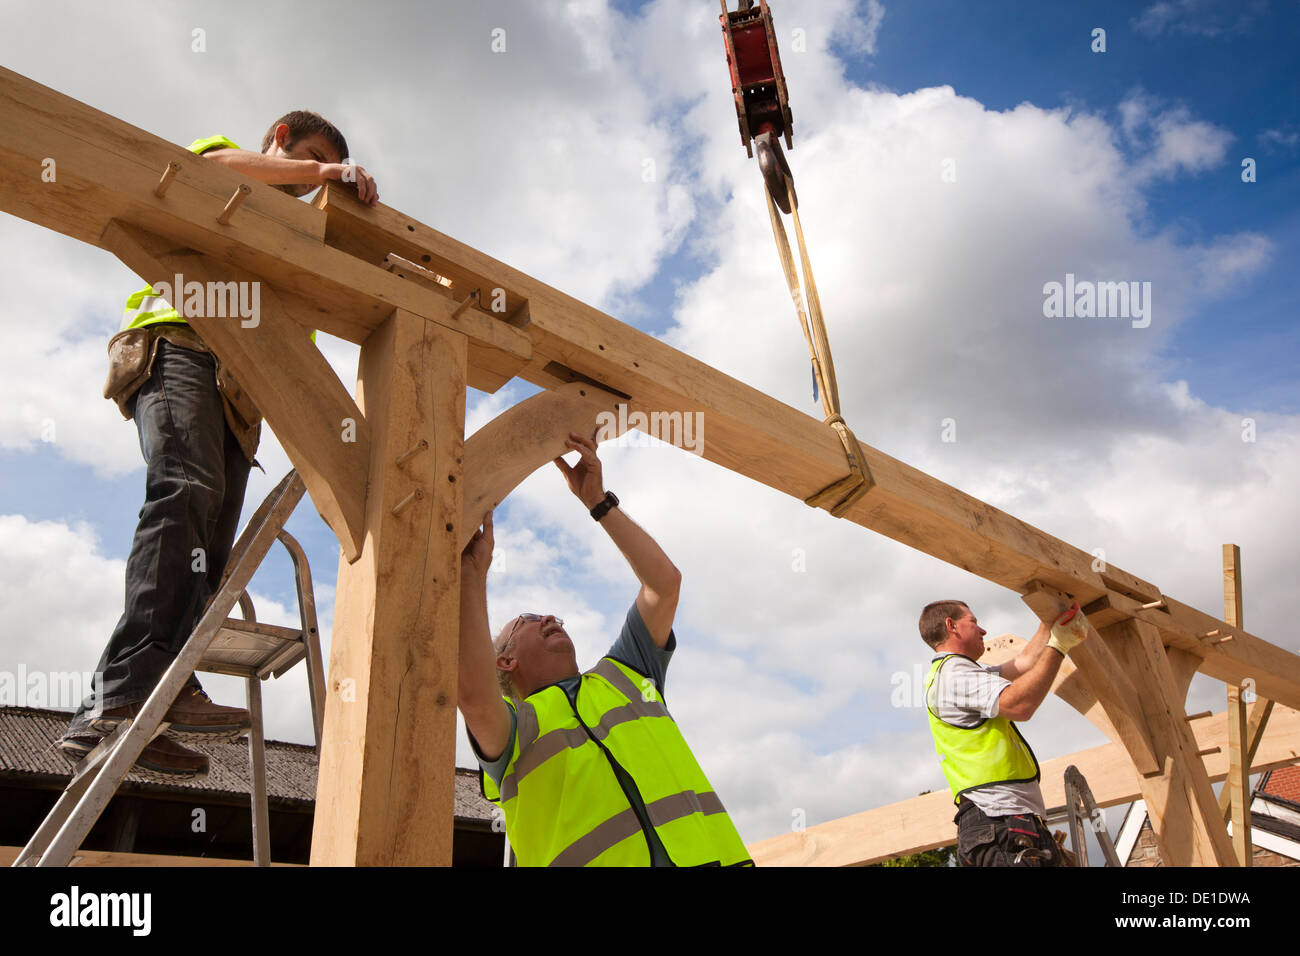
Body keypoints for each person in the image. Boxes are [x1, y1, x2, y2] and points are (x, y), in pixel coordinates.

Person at [59, 113, 379, 781]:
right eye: (309, 156)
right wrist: (322, 174)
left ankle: (155, 695)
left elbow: (294, 352)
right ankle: (126, 687)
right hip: (181, 344)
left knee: (214, 548)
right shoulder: (226, 165)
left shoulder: (288, 252)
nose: (308, 181)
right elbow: (222, 170)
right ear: (282, 136)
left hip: (239, 395)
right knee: (185, 489)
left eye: (320, 167)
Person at [458, 429, 752, 866]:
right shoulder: (516, 729)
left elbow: (663, 584)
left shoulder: (627, 673)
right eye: (531, 620)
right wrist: (471, 573)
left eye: (552, 616)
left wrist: (599, 502)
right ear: (505, 659)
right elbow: (473, 695)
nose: (550, 618)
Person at [919, 598, 1088, 866]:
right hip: (999, 822)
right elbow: (1019, 705)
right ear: (951, 626)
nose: (983, 631)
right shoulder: (954, 676)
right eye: (973, 622)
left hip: (1005, 823)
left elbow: (1023, 664)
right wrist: (1060, 645)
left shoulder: (966, 673)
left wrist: (1050, 623)